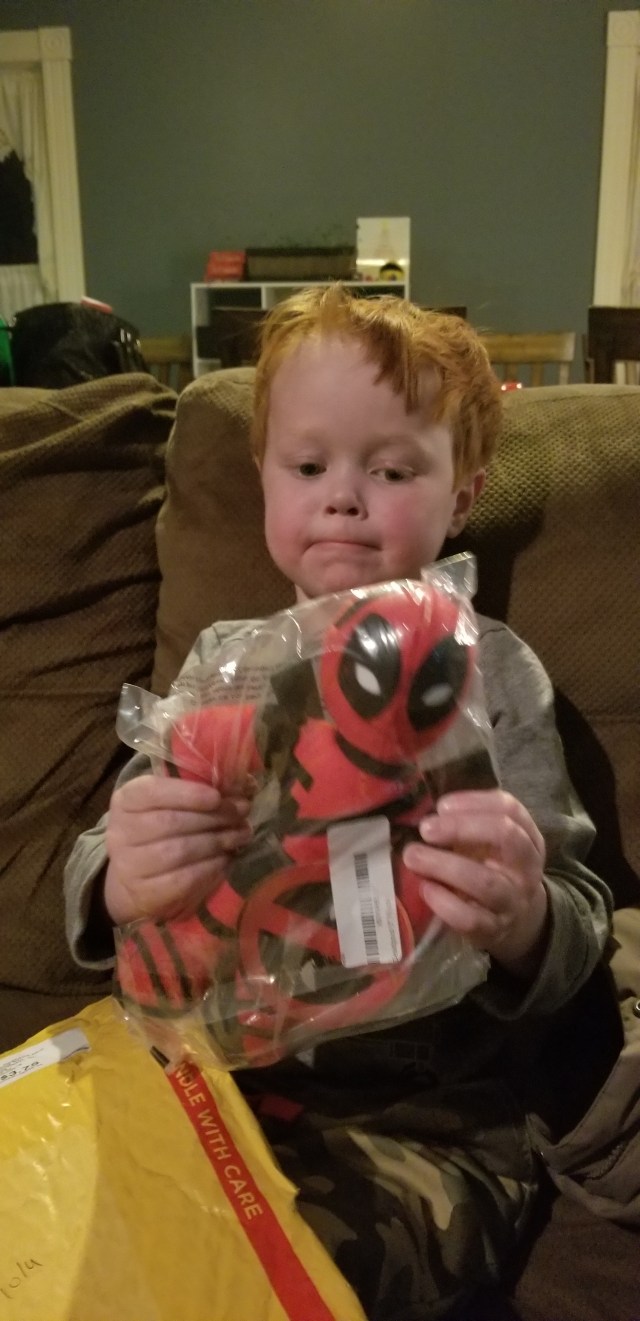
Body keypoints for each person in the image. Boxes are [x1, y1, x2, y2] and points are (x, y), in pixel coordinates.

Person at [65, 286, 612, 1321]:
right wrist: (119, 879)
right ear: (264, 479)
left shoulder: (487, 670)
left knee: (280, 1273)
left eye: (392, 470)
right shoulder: (224, 664)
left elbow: (580, 921)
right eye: (307, 467)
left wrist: (526, 916)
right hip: (212, 1084)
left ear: (461, 497)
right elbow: (107, 851)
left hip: (424, 1118)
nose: (343, 499)